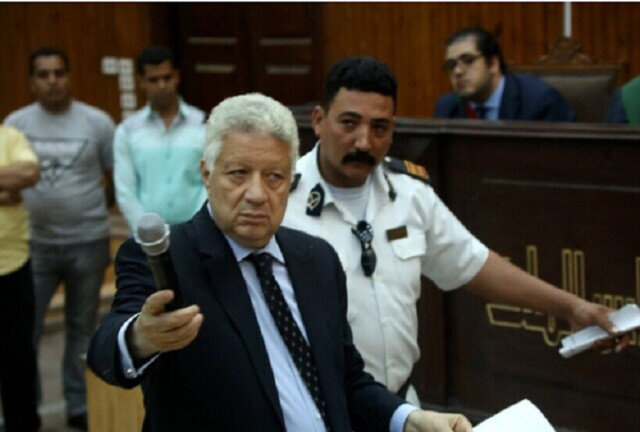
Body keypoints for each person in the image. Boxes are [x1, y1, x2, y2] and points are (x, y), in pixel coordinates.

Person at [87, 93, 473, 432]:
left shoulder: (316, 259)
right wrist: (140, 338)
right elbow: (106, 349)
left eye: (273, 177)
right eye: (238, 174)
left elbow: (346, 379)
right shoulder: (167, 260)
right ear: (207, 173)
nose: (257, 194)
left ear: (290, 180)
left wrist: (409, 419)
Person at [282, 56, 640, 404]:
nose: (364, 142)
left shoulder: (408, 193)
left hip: (399, 405)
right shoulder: (281, 203)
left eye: (379, 127)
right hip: (318, 409)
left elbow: (475, 263)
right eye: (348, 123)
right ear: (318, 120)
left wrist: (573, 309)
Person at [4, 47, 115, 431]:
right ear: (32, 81)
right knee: (23, 333)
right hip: (33, 246)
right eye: (43, 74)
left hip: (88, 241)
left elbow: (112, 176)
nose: (52, 80)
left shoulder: (98, 122)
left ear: (69, 76)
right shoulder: (16, 124)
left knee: (82, 328)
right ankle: (25, 411)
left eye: (58, 73)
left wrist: (89, 211)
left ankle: (79, 405)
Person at [113, 46, 206, 233]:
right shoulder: (127, 131)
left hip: (196, 231)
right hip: (145, 236)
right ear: (141, 82)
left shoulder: (202, 125)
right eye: (153, 80)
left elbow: (209, 183)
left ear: (177, 77)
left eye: (167, 78)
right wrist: (148, 231)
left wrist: (197, 227)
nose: (162, 86)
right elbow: (125, 192)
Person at [434, 26, 574, 121]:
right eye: (451, 65)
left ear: (493, 64)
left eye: (468, 60)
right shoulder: (447, 108)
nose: (457, 71)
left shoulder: (539, 102)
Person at [0, 125, 41, 432]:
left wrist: (16, 183)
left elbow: (29, 172)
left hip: (12, 266)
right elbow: (16, 177)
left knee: (17, 358)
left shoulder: (9, 137)